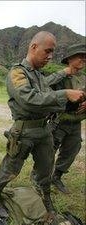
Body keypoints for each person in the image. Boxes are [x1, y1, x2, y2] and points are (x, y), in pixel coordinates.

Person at [0, 31, 85, 218]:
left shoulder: (41, 76)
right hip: (24, 131)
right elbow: (28, 99)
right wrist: (64, 94)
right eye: (47, 51)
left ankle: (46, 197)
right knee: (10, 168)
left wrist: (74, 102)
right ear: (33, 47)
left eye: (52, 52)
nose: (50, 56)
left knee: (45, 169)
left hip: (44, 130)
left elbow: (48, 101)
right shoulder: (17, 72)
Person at [50, 44, 86, 193]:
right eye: (80, 56)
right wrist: (63, 74)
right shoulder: (60, 76)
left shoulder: (84, 78)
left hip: (76, 122)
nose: (83, 59)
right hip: (59, 121)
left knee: (72, 149)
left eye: (85, 57)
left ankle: (56, 177)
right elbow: (43, 88)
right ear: (70, 58)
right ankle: (39, 176)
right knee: (48, 150)